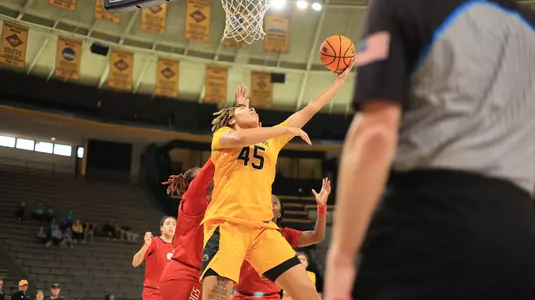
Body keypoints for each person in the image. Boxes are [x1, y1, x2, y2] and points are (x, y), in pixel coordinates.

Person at [324, 1, 535, 300]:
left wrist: (342, 257)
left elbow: (375, 135)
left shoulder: (403, 7)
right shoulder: (529, 23)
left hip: (426, 223)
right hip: (519, 237)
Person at [201, 68, 354, 300]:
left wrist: (341, 81)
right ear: (231, 119)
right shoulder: (222, 135)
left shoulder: (270, 141)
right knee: (216, 296)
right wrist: (284, 128)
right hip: (228, 224)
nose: (252, 109)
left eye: (253, 109)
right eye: (244, 109)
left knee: (308, 294)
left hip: (263, 229)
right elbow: (240, 138)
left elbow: (311, 107)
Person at [233, 178, 330, 300]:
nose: (269, 204)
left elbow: (317, 236)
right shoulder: (244, 231)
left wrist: (321, 207)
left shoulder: (285, 234)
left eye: (275, 203)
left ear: (279, 214)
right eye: (266, 201)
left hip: (271, 297)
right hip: (241, 296)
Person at [160, 160, 215, 300]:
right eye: (202, 175)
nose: (211, 176)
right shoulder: (193, 199)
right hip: (183, 273)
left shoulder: (213, 204)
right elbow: (211, 167)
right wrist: (226, 147)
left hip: (198, 274)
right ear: (193, 184)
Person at [132, 216, 176, 300]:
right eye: (168, 224)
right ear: (161, 228)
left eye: (174, 224)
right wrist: (146, 246)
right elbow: (135, 263)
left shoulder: (178, 247)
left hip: (171, 294)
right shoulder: (154, 242)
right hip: (153, 293)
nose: (171, 226)